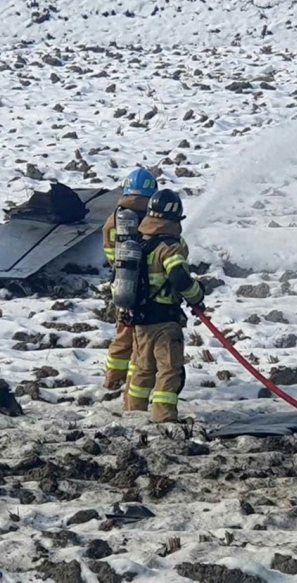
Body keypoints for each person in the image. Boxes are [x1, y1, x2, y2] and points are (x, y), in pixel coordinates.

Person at [124, 188, 205, 423]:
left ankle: (134, 416)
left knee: (142, 368)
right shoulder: (169, 247)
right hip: (164, 320)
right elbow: (179, 278)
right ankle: (164, 417)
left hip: (140, 318)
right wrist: (197, 294)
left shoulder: (140, 241)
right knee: (169, 369)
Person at [102, 167, 158, 390]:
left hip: (122, 283)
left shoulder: (113, 219)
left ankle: (112, 378)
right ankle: (135, 387)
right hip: (148, 288)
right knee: (141, 338)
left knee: (123, 333)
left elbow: (109, 253)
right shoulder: (153, 216)